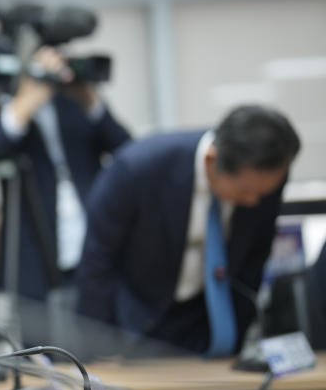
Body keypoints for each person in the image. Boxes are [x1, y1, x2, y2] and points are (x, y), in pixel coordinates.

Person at [77, 105, 301, 355]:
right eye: (245, 190)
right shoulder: (137, 169)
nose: (254, 202)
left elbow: (253, 261)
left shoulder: (264, 179)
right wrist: (100, 347)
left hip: (206, 328)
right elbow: (97, 264)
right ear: (211, 160)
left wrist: (235, 337)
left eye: (264, 193)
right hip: (133, 321)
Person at [0, 46, 131, 300]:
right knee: (40, 338)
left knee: (102, 336)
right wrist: (26, 102)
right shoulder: (0, 103)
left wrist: (92, 102)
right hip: (34, 256)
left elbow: (128, 154)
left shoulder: (72, 102)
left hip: (93, 251)